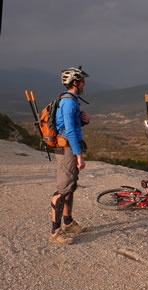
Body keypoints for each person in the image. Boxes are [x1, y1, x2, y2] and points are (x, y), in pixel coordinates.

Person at [49, 66, 91, 244]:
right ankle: (55, 231)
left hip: (69, 148)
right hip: (66, 149)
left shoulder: (73, 101)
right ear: (75, 82)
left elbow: (73, 125)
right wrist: (78, 154)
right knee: (63, 189)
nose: (84, 84)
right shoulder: (68, 102)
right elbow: (69, 130)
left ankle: (67, 222)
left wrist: (83, 120)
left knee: (70, 186)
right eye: (82, 81)